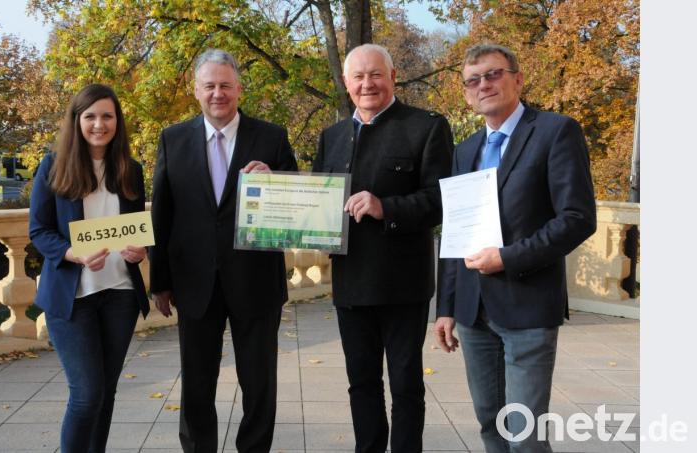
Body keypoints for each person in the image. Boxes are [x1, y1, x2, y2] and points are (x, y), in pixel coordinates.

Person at [433, 43, 597, 452]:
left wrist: (507, 258)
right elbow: (457, 231)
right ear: (467, 94)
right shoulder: (465, 150)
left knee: (523, 433)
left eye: (493, 74)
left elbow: (577, 218)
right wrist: (447, 307)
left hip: (527, 306)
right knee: (490, 423)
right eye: (473, 80)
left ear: (517, 79)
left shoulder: (555, 131)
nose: (483, 85)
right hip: (473, 312)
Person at [148, 48, 298, 453]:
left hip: (256, 282)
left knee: (259, 383)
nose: (218, 93)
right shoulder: (172, 138)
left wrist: (276, 181)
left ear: (239, 89)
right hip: (194, 283)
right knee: (196, 383)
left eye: (226, 86)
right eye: (210, 85)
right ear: (196, 90)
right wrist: (159, 282)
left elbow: (298, 206)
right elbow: (162, 215)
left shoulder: (271, 137)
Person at [312, 44, 453, 452]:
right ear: (346, 83)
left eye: (375, 74)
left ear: (393, 77)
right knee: (361, 383)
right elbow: (319, 202)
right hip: (350, 282)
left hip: (403, 284)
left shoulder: (426, 126)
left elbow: (440, 201)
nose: (367, 83)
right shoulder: (332, 137)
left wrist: (384, 207)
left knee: (406, 385)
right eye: (358, 76)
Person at [29, 83, 150, 452]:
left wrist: (140, 251)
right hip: (73, 297)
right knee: (86, 395)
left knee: (105, 393)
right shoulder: (53, 166)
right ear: (77, 120)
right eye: (91, 116)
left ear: (118, 121)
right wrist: (73, 253)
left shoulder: (130, 169)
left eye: (107, 116)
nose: (100, 124)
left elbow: (135, 229)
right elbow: (39, 231)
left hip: (120, 295)